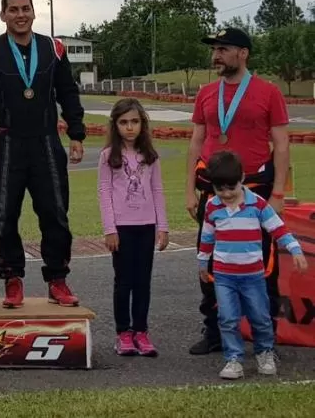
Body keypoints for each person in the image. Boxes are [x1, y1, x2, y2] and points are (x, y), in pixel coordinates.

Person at [0, 0, 85, 309]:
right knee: (5, 215)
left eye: (25, 9)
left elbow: (68, 94)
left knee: (56, 213)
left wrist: (76, 134)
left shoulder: (54, 49)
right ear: (3, 14)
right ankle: (12, 279)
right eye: (13, 10)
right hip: (5, 143)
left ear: (33, 12)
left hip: (46, 143)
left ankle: (57, 279)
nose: (20, 15)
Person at [185, 27, 290, 355]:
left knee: (263, 265)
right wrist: (189, 191)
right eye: (215, 49)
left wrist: (278, 194)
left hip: (256, 191)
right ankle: (215, 332)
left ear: (243, 53)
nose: (216, 54)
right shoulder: (205, 93)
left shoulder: (268, 92)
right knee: (211, 262)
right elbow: (196, 142)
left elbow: (283, 144)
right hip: (214, 193)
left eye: (223, 48)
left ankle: (265, 339)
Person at [197, 150, 307, 380]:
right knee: (227, 318)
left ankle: (264, 351)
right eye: (220, 189)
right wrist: (202, 262)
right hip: (224, 276)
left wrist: (295, 249)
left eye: (231, 188)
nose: (226, 194)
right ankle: (233, 358)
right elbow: (207, 237)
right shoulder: (212, 207)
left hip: (253, 276)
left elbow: (278, 228)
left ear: (242, 180)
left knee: (260, 317)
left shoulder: (258, 204)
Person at [97, 98, 169, 357]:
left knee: (143, 282)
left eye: (134, 122)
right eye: (124, 122)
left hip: (146, 226)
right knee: (123, 281)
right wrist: (109, 229)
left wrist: (163, 226)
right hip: (122, 228)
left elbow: (157, 191)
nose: (129, 127)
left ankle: (141, 331)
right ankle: (123, 333)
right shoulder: (108, 157)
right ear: (115, 125)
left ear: (142, 124)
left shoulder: (150, 156)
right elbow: (104, 192)